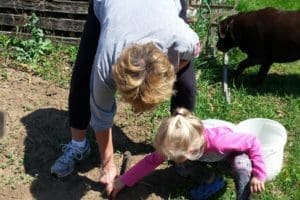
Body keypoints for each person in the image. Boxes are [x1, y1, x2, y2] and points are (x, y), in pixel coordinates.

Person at [50, 0, 201, 194]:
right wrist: (107, 165)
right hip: (110, 5)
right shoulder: (107, 61)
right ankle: (78, 145)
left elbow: (192, 54)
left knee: (186, 85)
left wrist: (170, 74)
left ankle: (179, 145)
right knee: (83, 76)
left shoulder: (182, 39)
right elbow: (101, 115)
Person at [111, 108, 267, 199]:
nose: (167, 158)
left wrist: (259, 174)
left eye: (171, 156)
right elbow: (151, 161)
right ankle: (213, 180)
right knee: (181, 166)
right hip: (207, 155)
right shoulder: (176, 141)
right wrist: (124, 180)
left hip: (229, 154)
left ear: (190, 151)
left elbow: (252, 141)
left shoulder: (220, 141)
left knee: (242, 165)